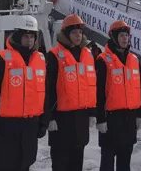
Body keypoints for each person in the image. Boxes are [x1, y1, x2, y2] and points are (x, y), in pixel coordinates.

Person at [0, 16, 47, 171]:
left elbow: (43, 94)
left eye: (32, 37)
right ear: (17, 35)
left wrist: (43, 122)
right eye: (25, 36)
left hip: (29, 128)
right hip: (6, 129)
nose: (29, 40)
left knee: (24, 165)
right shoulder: (1, 59)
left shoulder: (40, 60)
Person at [44, 14, 97, 171]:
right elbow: (48, 88)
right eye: (74, 33)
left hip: (80, 118)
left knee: (77, 161)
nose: (78, 36)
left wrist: (92, 113)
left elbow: (91, 85)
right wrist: (50, 117)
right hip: (61, 120)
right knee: (61, 162)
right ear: (66, 34)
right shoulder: (54, 56)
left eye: (80, 32)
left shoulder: (87, 54)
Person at [96, 20, 141, 171]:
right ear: (113, 37)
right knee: (107, 161)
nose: (125, 39)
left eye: (127, 35)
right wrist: (101, 118)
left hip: (129, 118)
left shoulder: (134, 60)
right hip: (111, 118)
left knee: (125, 161)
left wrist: (140, 114)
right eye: (122, 35)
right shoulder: (103, 60)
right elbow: (98, 92)